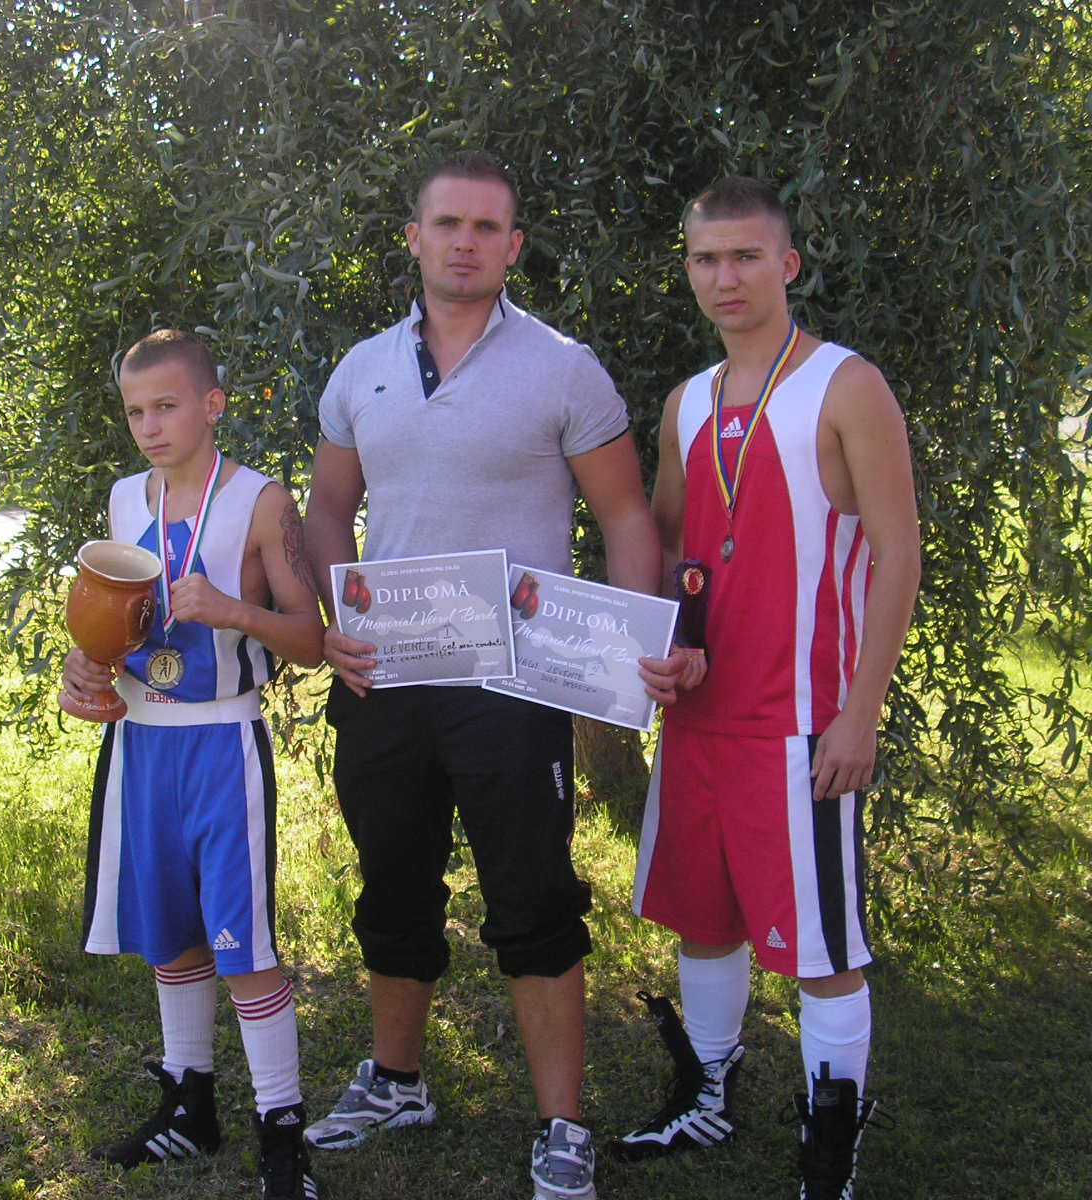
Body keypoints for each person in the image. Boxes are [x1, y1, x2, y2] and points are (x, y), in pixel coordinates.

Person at [301, 150, 694, 1200]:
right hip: (385, 675)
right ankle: (396, 1081)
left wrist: (641, 639)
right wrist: (335, 617)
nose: (465, 243)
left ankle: (562, 1125)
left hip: (515, 686)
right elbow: (327, 510)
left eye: (486, 228)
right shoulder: (360, 369)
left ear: (514, 246)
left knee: (532, 895)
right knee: (392, 882)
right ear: (414, 238)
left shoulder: (563, 368)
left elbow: (623, 515)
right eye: (448, 224)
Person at [616, 176, 920, 1200]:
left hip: (800, 725)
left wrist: (860, 715)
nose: (726, 277)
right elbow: (674, 549)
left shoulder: (845, 384)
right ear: (689, 269)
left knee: (823, 950)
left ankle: (832, 1146)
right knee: (704, 918)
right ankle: (707, 1095)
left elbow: (899, 555)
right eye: (707, 258)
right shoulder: (687, 401)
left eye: (747, 256)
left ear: (786, 264)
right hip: (700, 719)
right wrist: (671, 643)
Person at [61, 329, 326, 1199]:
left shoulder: (261, 501)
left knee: (242, 945)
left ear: (212, 405)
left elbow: (312, 640)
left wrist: (231, 610)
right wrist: (83, 667)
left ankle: (282, 1133)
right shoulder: (123, 501)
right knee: (168, 935)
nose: (150, 426)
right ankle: (189, 1104)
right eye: (136, 411)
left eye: (167, 406)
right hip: (141, 742)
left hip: (221, 741)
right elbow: (110, 629)